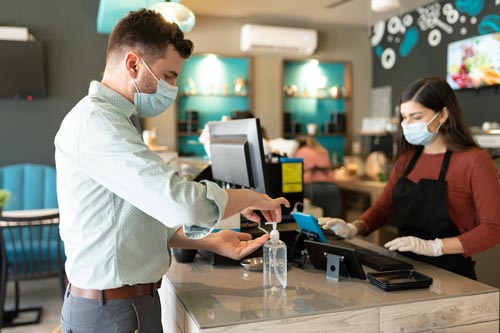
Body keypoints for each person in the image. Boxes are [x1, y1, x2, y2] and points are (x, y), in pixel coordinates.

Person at [54, 9, 289, 332]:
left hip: (125, 305)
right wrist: (248, 197)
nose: (173, 88)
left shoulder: (115, 122)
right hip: (111, 312)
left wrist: (210, 241)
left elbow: (133, 225)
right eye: (168, 76)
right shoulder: (98, 123)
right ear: (133, 64)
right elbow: (183, 204)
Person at [319, 77, 500, 280]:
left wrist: (434, 247)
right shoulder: (407, 159)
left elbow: (493, 228)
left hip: (451, 273)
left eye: (416, 117)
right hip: (405, 269)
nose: (407, 124)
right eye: (404, 117)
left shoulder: (474, 161)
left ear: (443, 115)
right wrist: (353, 227)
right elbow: (383, 209)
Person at [294, 135, 341, 217]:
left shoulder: (300, 151)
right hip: (331, 188)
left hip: (311, 188)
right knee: (332, 222)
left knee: (315, 219)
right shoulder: (322, 150)